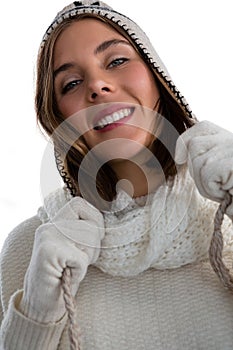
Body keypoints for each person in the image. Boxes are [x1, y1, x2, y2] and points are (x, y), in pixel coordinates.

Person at [0, 1, 233, 349]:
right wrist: (37, 312)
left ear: (157, 77)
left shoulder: (225, 217)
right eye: (72, 82)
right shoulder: (33, 250)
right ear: (59, 120)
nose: (97, 85)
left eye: (117, 61)